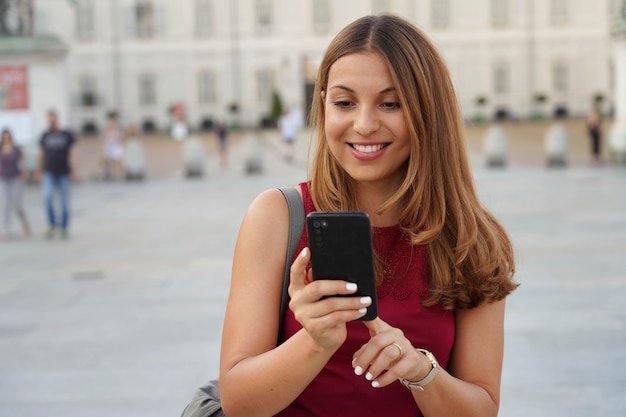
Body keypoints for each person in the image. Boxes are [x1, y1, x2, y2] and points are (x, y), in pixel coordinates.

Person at [218, 15, 518, 417]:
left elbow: (482, 409)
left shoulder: (470, 237)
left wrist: (420, 371)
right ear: (323, 104)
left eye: (390, 103)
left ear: (428, 110)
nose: (364, 124)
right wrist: (316, 340)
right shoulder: (276, 217)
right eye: (344, 102)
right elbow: (238, 403)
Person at [35, 110, 78, 239]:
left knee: (64, 201)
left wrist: (75, 170)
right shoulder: (45, 135)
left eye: (53, 119)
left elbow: (73, 153)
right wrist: (38, 171)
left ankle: (64, 226)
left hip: (64, 172)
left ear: (57, 119)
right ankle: (51, 224)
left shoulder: (66, 134)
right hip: (49, 172)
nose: (51, 121)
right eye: (49, 119)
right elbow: (41, 154)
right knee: (47, 197)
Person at [0, 128, 31, 239]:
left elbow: (24, 158)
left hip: (15, 178)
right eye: (4, 136)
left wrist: (25, 171)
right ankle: (6, 230)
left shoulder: (16, 149)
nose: (6, 138)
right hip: (3, 179)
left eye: (8, 136)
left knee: (17, 205)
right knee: (5, 205)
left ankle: (25, 222)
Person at [101, 113, 124, 180]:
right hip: (109, 147)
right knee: (108, 161)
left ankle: (119, 173)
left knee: (116, 161)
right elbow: (104, 139)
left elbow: (120, 139)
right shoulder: (106, 131)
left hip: (115, 147)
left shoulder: (117, 131)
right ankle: (109, 174)